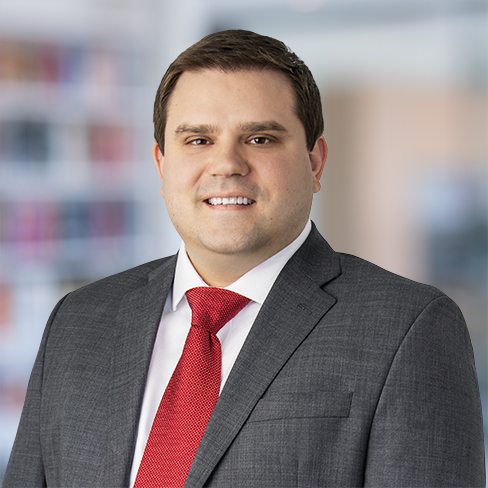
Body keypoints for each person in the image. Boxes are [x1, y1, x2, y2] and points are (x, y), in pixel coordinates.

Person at [3, 30, 485, 488]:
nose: (227, 164)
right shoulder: (79, 320)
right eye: (198, 140)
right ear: (161, 163)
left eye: (260, 138)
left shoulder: (408, 328)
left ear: (315, 162)